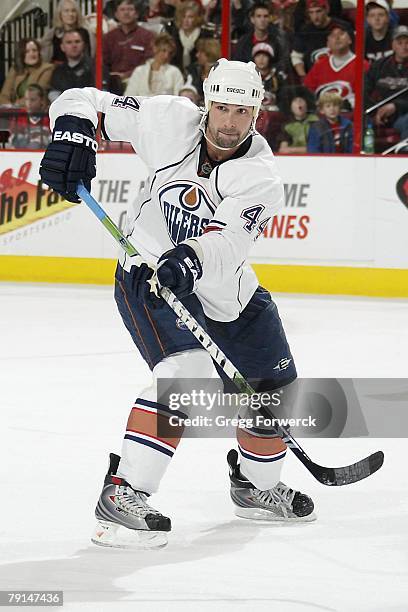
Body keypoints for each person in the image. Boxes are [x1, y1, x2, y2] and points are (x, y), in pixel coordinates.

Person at [39, 58, 316, 549]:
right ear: (207, 104)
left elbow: (228, 240)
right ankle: (124, 494)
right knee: (187, 376)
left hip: (224, 288)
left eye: (242, 111)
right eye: (222, 108)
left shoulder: (261, 177)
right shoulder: (169, 119)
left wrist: (189, 258)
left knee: (275, 390)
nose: (229, 121)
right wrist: (74, 133)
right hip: (146, 277)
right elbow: (81, 98)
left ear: (258, 114)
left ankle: (255, 486)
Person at [304, 23, 369, 109]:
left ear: (350, 39)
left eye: (341, 34)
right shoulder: (319, 66)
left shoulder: (362, 65)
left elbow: (365, 97)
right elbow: (307, 92)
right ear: (328, 44)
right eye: (332, 35)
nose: (337, 38)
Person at [365, 25, 408, 141]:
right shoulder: (379, 66)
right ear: (393, 45)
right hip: (379, 113)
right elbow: (363, 91)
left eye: (407, 43)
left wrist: (396, 106)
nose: (404, 47)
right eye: (400, 43)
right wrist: (374, 112)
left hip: (403, 115)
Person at [291, 0, 353, 80]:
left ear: (326, 10)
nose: (315, 17)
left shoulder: (343, 27)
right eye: (311, 13)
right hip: (315, 78)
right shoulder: (304, 31)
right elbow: (296, 56)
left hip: (341, 76)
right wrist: (303, 77)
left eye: (318, 11)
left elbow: (354, 55)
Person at [103, 0, 155, 94]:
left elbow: (149, 62)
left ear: (137, 14)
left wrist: (127, 75)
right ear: (116, 15)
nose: (126, 13)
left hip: (139, 81)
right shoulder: (109, 37)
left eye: (130, 9)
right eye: (122, 10)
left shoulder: (148, 36)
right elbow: (102, 62)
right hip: (112, 82)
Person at [233, 1, 291, 73]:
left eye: (265, 16)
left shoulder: (279, 41)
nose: (262, 20)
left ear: (269, 18)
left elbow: (283, 64)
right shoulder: (243, 43)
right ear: (252, 19)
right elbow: (237, 65)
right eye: (258, 16)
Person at [0, 39, 54, 106]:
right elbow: (4, 94)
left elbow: (36, 95)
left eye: (34, 50)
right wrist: (7, 106)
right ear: (21, 54)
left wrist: (14, 105)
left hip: (36, 109)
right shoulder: (15, 69)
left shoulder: (47, 68)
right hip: (13, 110)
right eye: (27, 51)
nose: (32, 54)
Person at [48, 30, 94, 103]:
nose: (74, 45)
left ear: (84, 45)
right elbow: (53, 94)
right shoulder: (58, 71)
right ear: (62, 47)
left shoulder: (96, 68)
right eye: (69, 42)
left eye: (77, 41)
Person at [9, 84, 51, 149]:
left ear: (42, 101)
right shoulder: (19, 115)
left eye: (32, 100)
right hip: (22, 149)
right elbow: (13, 136)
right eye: (26, 99)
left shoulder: (49, 116)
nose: (28, 103)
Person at [185, 38, 221, 102]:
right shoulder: (193, 70)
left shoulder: (221, 71)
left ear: (209, 54)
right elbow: (187, 87)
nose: (197, 55)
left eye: (200, 52)